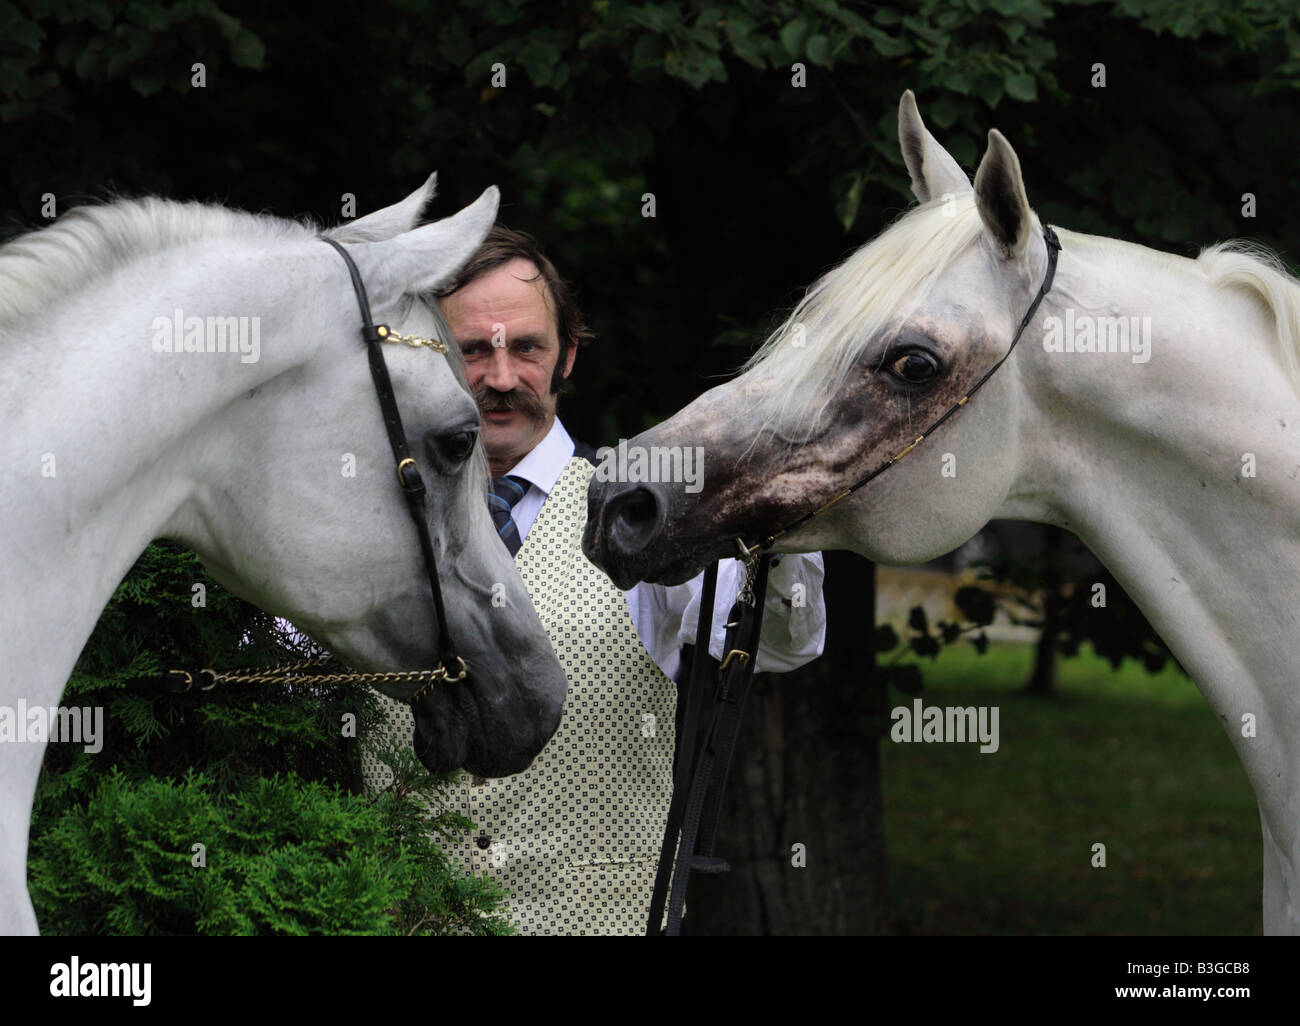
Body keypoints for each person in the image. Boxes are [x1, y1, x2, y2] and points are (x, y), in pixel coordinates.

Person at [360, 226, 825, 935]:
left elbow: (785, 642)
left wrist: (784, 525)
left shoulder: (642, 515)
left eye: (527, 347)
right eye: (473, 351)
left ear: (567, 356)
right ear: (430, 354)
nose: (503, 378)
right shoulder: (359, 531)